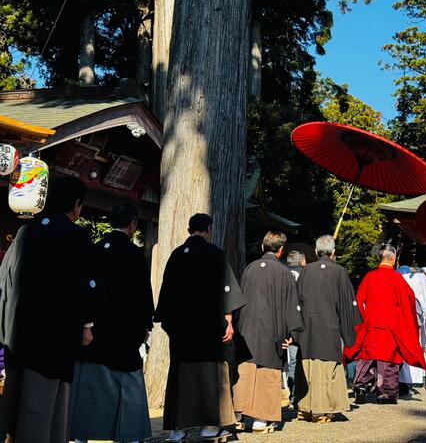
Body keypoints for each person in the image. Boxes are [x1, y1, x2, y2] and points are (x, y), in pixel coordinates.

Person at [0, 177, 96, 443]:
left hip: (19, 331)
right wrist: (87, 325)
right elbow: (83, 283)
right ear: (76, 205)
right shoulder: (75, 235)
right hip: (55, 332)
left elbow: (5, 278)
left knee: (17, 396)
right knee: (46, 400)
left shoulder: (25, 232)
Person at [155, 213, 246, 442]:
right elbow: (225, 289)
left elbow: (166, 293)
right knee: (209, 376)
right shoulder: (214, 253)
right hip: (208, 327)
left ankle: (179, 428)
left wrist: (169, 324)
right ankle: (209, 426)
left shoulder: (177, 255)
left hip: (181, 329)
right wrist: (228, 320)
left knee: (181, 375)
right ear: (207, 229)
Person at [70, 203, 154, 443]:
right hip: (124, 333)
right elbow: (142, 295)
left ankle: (81, 435)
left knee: (87, 387)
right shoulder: (133, 254)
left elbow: (84, 290)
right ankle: (128, 436)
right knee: (126, 387)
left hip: (95, 330)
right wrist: (146, 324)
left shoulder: (94, 250)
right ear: (132, 225)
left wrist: (85, 323)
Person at [234, 232, 304, 433]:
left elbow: (239, 299)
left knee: (245, 370)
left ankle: (238, 415)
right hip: (272, 329)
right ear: (281, 250)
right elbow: (291, 305)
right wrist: (292, 333)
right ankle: (260, 420)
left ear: (263, 247)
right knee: (267, 372)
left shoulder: (250, 268)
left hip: (246, 327)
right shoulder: (283, 272)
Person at [344, 245, 425, 405]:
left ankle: (361, 387)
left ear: (380, 258)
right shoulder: (398, 280)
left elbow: (359, 302)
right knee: (387, 360)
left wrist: (358, 325)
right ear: (393, 259)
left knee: (367, 357)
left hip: (370, 324)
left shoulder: (369, 277)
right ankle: (386, 393)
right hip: (390, 326)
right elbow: (408, 303)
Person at [294, 235, 361, 423]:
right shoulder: (339, 272)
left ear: (316, 252)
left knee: (307, 367)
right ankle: (322, 410)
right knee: (326, 368)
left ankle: (305, 408)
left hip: (306, 328)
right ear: (333, 252)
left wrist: (294, 330)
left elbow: (296, 301)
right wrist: (349, 333)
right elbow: (348, 305)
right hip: (330, 328)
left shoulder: (306, 272)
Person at [397, 265, 426, 396]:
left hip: (397, 316)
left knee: (399, 348)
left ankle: (399, 382)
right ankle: (408, 382)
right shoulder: (418, 276)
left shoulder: (396, 274)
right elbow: (425, 295)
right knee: (411, 347)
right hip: (412, 315)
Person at [285, 250, 306, 408]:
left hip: (285, 323)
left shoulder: (283, 274)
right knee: (302, 360)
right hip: (302, 323)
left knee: (291, 362)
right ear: (302, 261)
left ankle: (291, 396)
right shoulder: (306, 275)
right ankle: (301, 394)